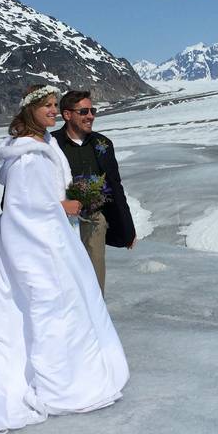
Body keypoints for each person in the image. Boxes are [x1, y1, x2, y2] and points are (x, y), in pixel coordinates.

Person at [0, 84, 129, 434]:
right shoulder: (26, 156)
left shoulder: (44, 144)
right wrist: (62, 207)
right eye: (47, 106)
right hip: (35, 243)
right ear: (30, 110)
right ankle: (49, 379)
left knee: (67, 304)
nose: (53, 111)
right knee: (44, 304)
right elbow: (21, 207)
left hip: (51, 236)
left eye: (55, 105)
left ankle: (67, 370)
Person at [53, 90, 136, 294]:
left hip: (94, 218)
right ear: (67, 114)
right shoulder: (51, 143)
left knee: (95, 272)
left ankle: (96, 314)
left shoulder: (103, 144)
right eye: (83, 111)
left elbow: (116, 186)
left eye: (93, 111)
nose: (90, 116)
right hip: (59, 221)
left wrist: (128, 227)